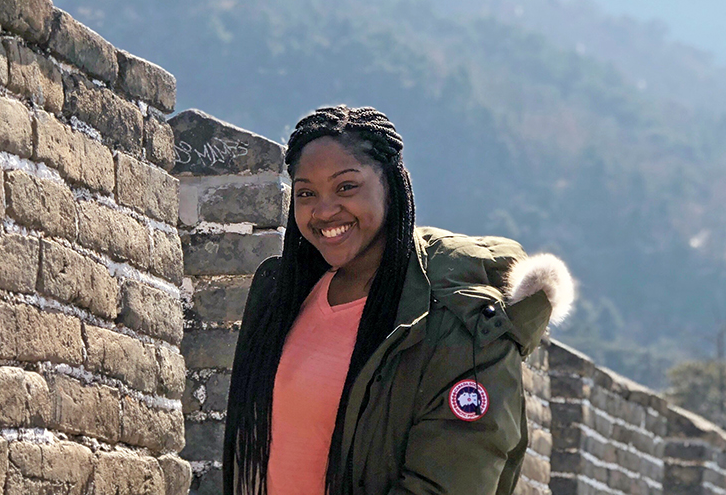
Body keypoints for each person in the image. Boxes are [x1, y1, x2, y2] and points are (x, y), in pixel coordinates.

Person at [222, 105, 574, 495]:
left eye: (346, 187)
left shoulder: (456, 321)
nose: (323, 210)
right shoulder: (283, 298)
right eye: (306, 193)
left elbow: (452, 481)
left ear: (390, 184)